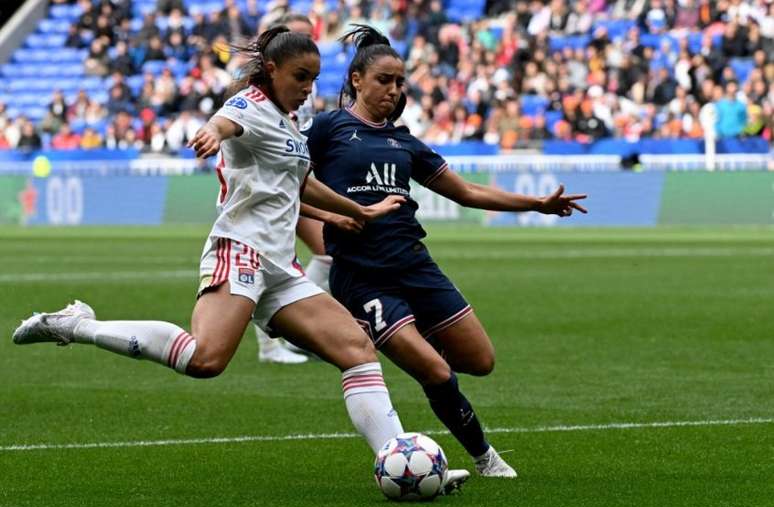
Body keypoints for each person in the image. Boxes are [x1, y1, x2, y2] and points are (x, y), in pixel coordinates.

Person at [12, 26, 417, 476]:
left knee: (357, 348)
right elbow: (224, 122)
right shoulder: (251, 106)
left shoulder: (289, 124)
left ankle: (397, 459)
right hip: (240, 249)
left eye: (314, 79)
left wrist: (352, 212)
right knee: (204, 359)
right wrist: (210, 133)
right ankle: (78, 324)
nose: (307, 88)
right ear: (272, 69)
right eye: (300, 76)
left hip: (280, 266)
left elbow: (302, 184)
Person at [303, 25, 588, 478]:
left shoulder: (404, 141)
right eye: (384, 81)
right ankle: (484, 457)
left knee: (480, 361)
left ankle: (408, 340)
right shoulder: (327, 129)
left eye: (400, 83)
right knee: (436, 373)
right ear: (356, 79)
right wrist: (334, 216)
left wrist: (537, 204)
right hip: (363, 276)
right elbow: (284, 181)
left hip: (416, 266)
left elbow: (467, 192)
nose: (393, 91)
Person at [247, 13, 338, 364]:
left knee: (281, 264)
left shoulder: (304, 90)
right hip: (274, 190)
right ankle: (289, 336)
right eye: (299, 37)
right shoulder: (261, 95)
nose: (306, 44)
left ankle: (289, 336)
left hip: (295, 183)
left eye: (310, 37)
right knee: (320, 255)